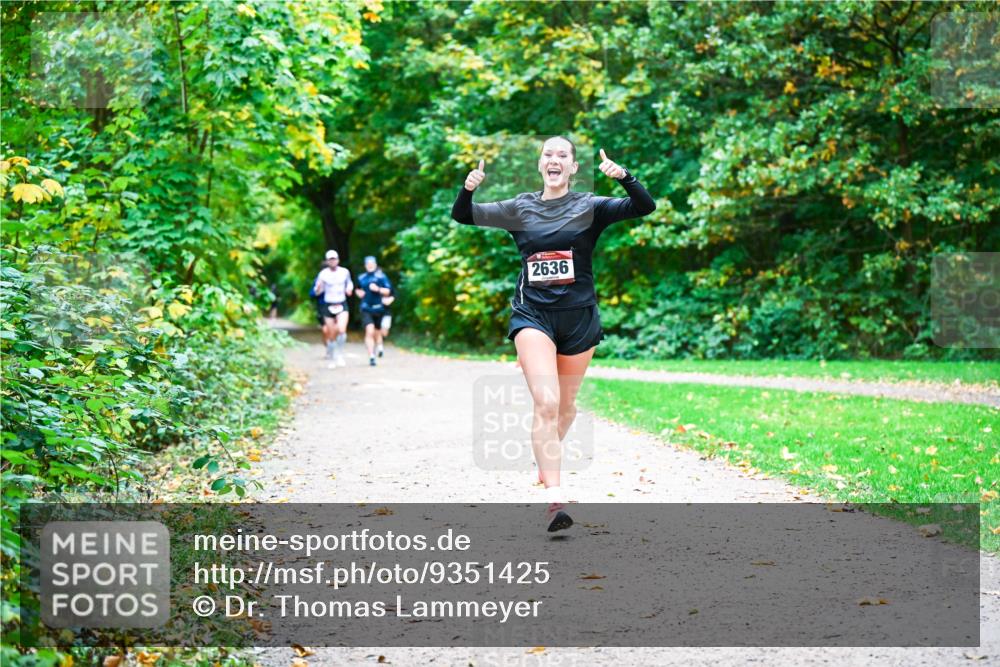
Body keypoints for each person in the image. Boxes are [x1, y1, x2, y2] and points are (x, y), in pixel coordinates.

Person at [451, 137, 656, 533]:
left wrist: (624, 176)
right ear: (540, 163)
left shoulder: (589, 207)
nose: (555, 160)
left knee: (565, 408)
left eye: (563, 155)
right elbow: (464, 215)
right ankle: (555, 498)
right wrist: (468, 188)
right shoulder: (519, 207)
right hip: (533, 315)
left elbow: (644, 207)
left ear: (574, 167)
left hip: (579, 318)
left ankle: (546, 459)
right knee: (546, 402)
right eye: (548, 154)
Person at [313, 249, 353, 368]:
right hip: (328, 304)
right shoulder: (323, 274)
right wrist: (318, 288)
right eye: (330, 259)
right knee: (331, 333)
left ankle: (340, 355)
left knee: (341, 329)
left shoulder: (344, 272)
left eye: (334, 259)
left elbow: (349, 283)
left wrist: (349, 289)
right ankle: (332, 355)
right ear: (327, 261)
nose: (332, 261)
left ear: (338, 260)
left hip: (341, 303)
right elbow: (317, 290)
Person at [355, 255, 395, 367]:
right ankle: (371, 356)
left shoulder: (382, 277)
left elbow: (389, 291)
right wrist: (359, 293)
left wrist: (377, 289)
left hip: (380, 308)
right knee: (369, 331)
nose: (370, 266)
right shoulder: (361, 277)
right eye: (368, 264)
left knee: (380, 332)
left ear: (375, 265)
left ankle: (380, 346)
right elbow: (357, 289)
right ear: (365, 266)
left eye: (372, 264)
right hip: (366, 308)